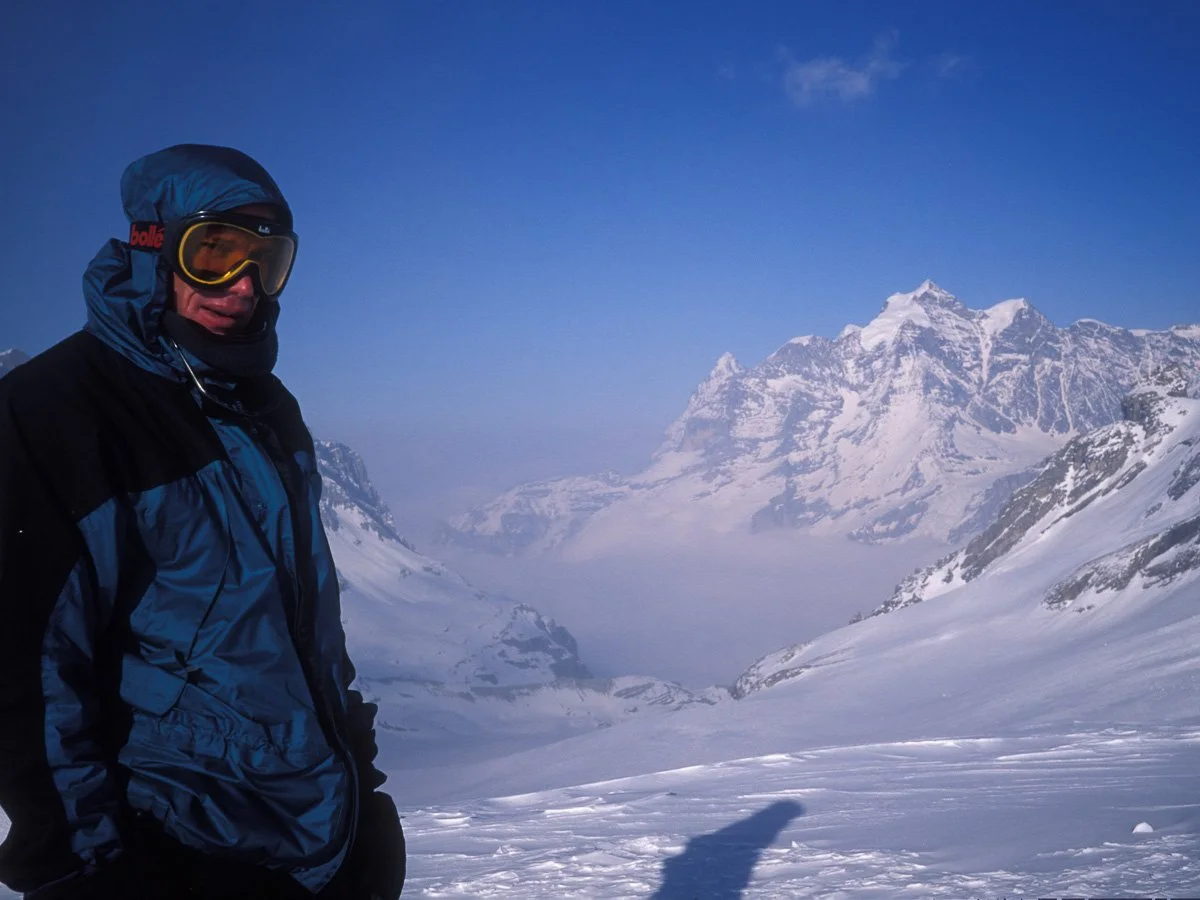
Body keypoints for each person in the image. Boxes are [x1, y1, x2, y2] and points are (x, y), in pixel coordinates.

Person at [0, 145, 405, 899]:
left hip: (317, 842)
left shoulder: (264, 408)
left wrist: (362, 789)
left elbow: (303, 623)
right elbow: (27, 668)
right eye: (214, 251)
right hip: (173, 848)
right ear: (153, 250)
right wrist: (79, 867)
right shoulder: (53, 412)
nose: (243, 285)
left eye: (268, 260)